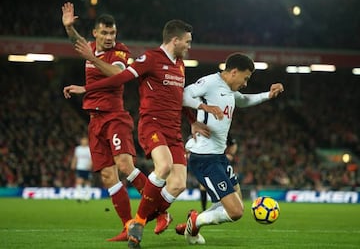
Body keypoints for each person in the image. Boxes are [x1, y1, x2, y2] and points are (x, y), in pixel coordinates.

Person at [63, 19, 217, 249]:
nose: (190, 46)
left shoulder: (171, 62)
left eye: (112, 32)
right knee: (131, 172)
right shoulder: (150, 57)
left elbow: (176, 96)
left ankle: (150, 217)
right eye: (188, 42)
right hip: (135, 122)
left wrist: (193, 122)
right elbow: (114, 72)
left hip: (153, 124)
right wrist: (69, 30)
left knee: (174, 183)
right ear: (175, 40)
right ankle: (135, 223)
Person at [62, 2, 149, 242]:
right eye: (105, 33)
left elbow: (118, 75)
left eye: (112, 33)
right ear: (96, 33)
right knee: (109, 176)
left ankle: (160, 212)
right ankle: (128, 225)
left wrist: (92, 58)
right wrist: (69, 28)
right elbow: (76, 42)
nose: (110, 37)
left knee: (124, 165)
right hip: (95, 119)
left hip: (114, 116)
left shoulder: (120, 52)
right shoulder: (89, 47)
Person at [178, 52, 284, 245]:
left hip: (219, 157)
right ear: (234, 72)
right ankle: (195, 221)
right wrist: (203, 107)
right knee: (235, 211)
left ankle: (193, 224)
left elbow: (243, 100)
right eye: (245, 78)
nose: (245, 83)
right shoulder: (210, 82)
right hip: (204, 158)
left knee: (236, 202)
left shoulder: (228, 90)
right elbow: (184, 95)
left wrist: (268, 95)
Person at [71, 136, 92, 201]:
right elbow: (75, 157)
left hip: (87, 168)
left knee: (87, 181)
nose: (84, 141)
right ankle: (79, 196)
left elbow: (91, 158)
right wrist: (73, 164)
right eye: (83, 140)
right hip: (79, 167)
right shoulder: (78, 149)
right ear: (81, 141)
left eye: (85, 140)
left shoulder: (89, 149)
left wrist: (90, 165)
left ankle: (87, 196)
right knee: (79, 181)